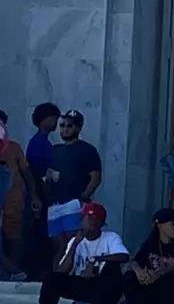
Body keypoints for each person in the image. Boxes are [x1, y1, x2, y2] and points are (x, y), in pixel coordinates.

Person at [26, 202, 128, 304]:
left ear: (102, 223)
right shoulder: (75, 241)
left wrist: (95, 260)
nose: (90, 222)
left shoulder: (110, 237)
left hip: (106, 288)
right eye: (88, 218)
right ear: (81, 220)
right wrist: (74, 245)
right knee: (51, 278)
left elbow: (123, 256)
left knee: (113, 267)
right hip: (84, 285)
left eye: (95, 219)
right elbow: (61, 271)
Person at [45, 110, 102, 264]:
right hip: (54, 205)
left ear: (78, 127)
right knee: (57, 246)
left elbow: (96, 177)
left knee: (74, 244)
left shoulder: (87, 150)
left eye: (69, 126)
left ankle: (75, 274)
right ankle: (57, 275)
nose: (65, 129)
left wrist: (82, 199)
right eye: (62, 126)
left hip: (73, 204)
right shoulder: (55, 149)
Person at [1, 111, 40, 280]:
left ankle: (13, 274)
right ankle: (11, 270)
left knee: (14, 239)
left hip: (13, 203)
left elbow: (26, 172)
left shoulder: (14, 148)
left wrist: (34, 196)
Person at [26, 102, 60, 178]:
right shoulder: (38, 143)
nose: (56, 122)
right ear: (44, 119)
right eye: (53, 118)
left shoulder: (42, 141)